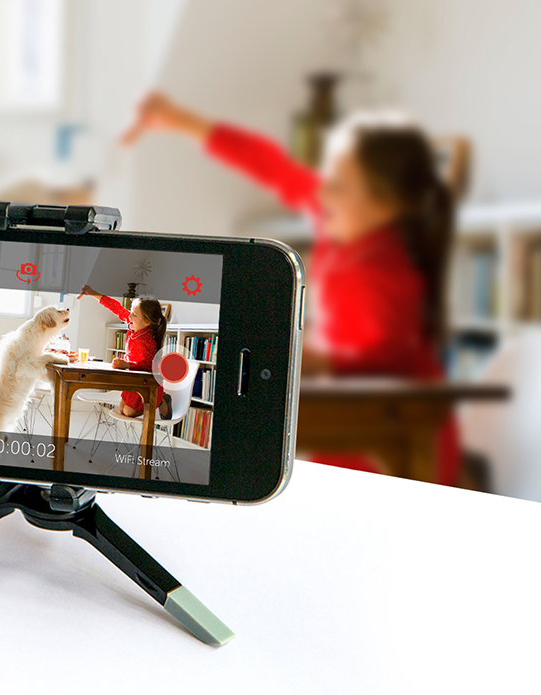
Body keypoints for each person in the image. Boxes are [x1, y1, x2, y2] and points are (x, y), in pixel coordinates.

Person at [121, 92, 459, 484]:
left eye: (341, 186)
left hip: (396, 440)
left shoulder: (389, 273)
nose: (323, 192)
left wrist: (276, 346)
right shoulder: (340, 219)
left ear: (385, 206)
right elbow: (273, 166)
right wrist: (183, 121)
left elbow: (364, 367)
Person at [77, 286, 171, 419]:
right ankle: (159, 401)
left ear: (147, 322)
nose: (129, 315)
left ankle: (161, 400)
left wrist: (127, 365)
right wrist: (94, 293)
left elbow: (148, 365)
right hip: (133, 380)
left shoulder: (147, 341)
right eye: (131, 312)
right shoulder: (133, 323)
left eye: (134, 314)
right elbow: (116, 307)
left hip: (146, 384)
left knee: (128, 412)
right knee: (121, 409)